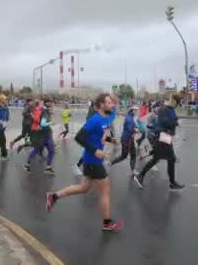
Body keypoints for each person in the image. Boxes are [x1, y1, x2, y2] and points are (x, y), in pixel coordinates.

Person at [46, 93, 123, 232]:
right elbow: (79, 137)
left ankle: (54, 196)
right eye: (109, 102)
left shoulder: (107, 117)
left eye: (112, 103)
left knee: (84, 188)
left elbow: (99, 136)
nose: (112, 105)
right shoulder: (95, 120)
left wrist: (111, 140)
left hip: (92, 160)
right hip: (93, 160)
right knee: (105, 191)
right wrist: (95, 151)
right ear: (101, 105)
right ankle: (107, 222)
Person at [134, 95, 185, 190]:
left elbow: (174, 117)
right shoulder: (163, 109)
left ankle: (140, 176)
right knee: (171, 159)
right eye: (177, 104)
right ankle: (172, 183)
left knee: (157, 158)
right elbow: (165, 122)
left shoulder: (170, 109)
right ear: (173, 100)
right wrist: (176, 123)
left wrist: (176, 120)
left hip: (166, 136)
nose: (176, 106)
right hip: (161, 136)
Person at [24, 99, 56, 175]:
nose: (52, 105)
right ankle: (27, 164)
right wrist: (51, 122)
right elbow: (43, 124)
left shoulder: (43, 111)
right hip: (42, 134)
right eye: (41, 104)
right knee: (36, 151)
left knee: (51, 151)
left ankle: (48, 167)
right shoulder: (44, 111)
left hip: (45, 134)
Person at [110, 106, 139, 176]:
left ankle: (132, 170)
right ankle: (110, 163)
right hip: (126, 139)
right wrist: (135, 130)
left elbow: (133, 126)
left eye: (137, 110)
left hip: (129, 139)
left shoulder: (131, 117)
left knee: (133, 154)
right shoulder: (129, 118)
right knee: (124, 156)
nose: (137, 112)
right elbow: (129, 129)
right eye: (136, 110)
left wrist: (135, 128)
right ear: (132, 110)